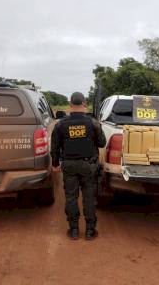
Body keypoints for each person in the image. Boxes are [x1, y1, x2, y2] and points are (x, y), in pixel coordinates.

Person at [51, 92, 106, 240]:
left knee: (71, 197)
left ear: (70, 105)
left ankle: (74, 230)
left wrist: (55, 164)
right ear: (85, 103)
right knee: (89, 197)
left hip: (69, 165)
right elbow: (102, 143)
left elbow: (55, 147)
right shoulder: (93, 123)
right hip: (88, 165)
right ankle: (90, 231)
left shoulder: (61, 124)